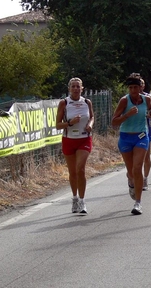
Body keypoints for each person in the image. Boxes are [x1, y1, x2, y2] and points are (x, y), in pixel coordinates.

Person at [112, 73, 151, 214]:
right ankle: (131, 181)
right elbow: (114, 122)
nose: (133, 90)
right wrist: (127, 115)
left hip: (142, 136)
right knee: (131, 171)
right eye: (130, 87)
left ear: (140, 88)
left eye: (135, 87)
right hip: (126, 137)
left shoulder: (147, 99)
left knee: (138, 167)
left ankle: (138, 203)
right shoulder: (124, 101)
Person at [55, 77, 95, 214]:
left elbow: (92, 117)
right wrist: (70, 123)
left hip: (84, 139)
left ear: (82, 88)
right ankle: (74, 198)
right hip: (69, 139)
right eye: (73, 86)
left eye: (78, 86)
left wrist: (90, 125)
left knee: (80, 169)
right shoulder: (64, 103)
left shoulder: (87, 102)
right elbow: (57, 125)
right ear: (69, 89)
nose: (76, 89)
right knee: (72, 172)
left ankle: (83, 202)